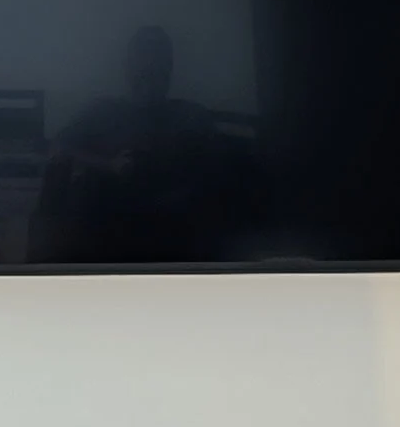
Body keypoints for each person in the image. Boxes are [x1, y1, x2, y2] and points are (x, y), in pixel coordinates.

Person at [32, 26, 257, 263]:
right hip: (108, 234)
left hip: (175, 237)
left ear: (169, 70)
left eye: (158, 69)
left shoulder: (191, 116)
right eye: (143, 68)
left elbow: (225, 174)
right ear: (128, 69)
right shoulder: (103, 111)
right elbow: (58, 147)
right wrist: (109, 165)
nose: (149, 78)